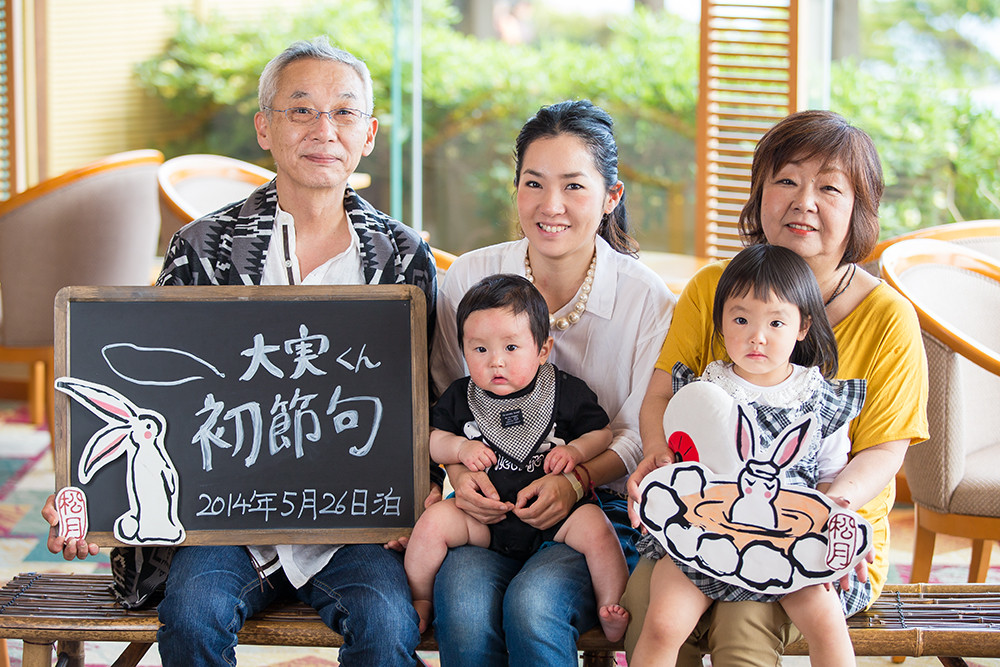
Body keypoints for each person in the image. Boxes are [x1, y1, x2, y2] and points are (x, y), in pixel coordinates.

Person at [42, 36, 439, 667]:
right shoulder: (204, 248)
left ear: (367, 135)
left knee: (388, 625)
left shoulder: (402, 257)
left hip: (352, 525)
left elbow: (430, 397)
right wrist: (91, 496)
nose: (324, 130)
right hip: (227, 521)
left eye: (344, 112)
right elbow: (148, 397)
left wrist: (421, 493)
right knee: (191, 615)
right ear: (264, 128)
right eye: (300, 110)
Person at [623, 109, 929, 666]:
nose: (803, 201)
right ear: (759, 194)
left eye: (829, 188)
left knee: (742, 623)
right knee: (651, 608)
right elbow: (663, 395)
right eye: (786, 180)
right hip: (706, 513)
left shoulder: (888, 317)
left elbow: (886, 449)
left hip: (818, 530)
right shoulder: (713, 287)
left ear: (859, 209)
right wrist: (657, 455)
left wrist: (829, 511)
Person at [429, 99, 676, 665]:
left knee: (534, 604)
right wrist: (460, 472)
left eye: (574, 186)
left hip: (600, 509)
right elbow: (445, 397)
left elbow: (640, 432)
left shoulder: (647, 300)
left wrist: (576, 480)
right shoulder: (468, 277)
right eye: (534, 184)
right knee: (463, 604)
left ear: (611, 196)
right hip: (487, 504)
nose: (551, 206)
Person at [629, 244, 866, 667]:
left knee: (828, 623)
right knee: (663, 624)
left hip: (786, 541)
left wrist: (836, 520)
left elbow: (831, 474)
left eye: (776, 322)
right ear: (721, 323)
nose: (757, 336)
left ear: (803, 326)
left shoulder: (819, 398)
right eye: (741, 319)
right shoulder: (704, 392)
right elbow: (684, 463)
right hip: (707, 532)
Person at [405, 273, 629, 640]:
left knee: (598, 529)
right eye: (480, 350)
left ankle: (611, 603)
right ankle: (421, 597)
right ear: (463, 350)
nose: (496, 362)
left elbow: (602, 433)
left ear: (543, 350)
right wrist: (459, 448)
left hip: (558, 519)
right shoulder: (462, 397)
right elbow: (430, 440)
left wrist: (575, 451)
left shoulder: (565, 392)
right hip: (485, 519)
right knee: (432, 524)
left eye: (511, 348)